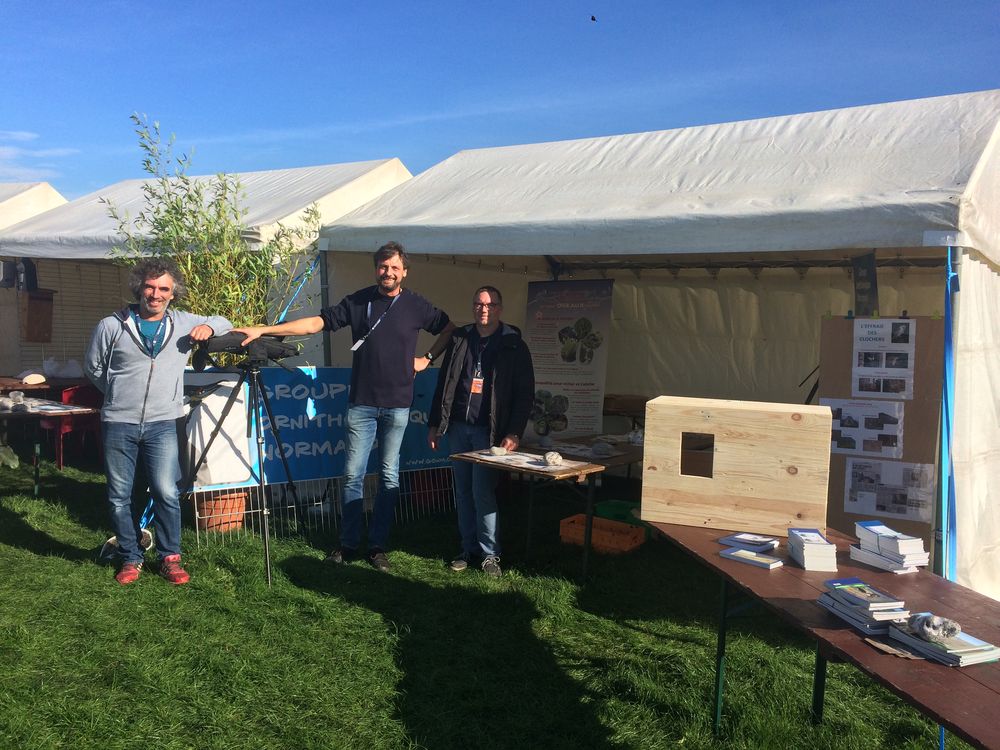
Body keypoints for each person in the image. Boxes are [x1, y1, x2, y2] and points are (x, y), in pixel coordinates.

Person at [233, 242, 453, 572]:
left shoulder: (416, 305)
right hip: (361, 405)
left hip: (398, 406)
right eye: (382, 266)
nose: (388, 272)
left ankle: (377, 546)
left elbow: (449, 328)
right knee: (352, 476)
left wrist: (428, 359)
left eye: (394, 267)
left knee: (390, 478)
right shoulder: (359, 301)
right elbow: (315, 324)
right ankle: (348, 544)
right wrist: (263, 329)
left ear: (404, 271)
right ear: (376, 268)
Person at [84, 258, 232, 585]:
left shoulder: (181, 322)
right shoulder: (112, 325)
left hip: (164, 422)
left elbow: (223, 321)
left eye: (163, 288)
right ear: (139, 287)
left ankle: (169, 557)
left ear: (172, 292)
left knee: (166, 490)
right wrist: (120, 393)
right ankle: (130, 557)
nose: (155, 294)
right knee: (119, 494)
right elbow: (93, 367)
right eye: (150, 287)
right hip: (118, 423)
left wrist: (208, 328)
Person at [427, 286, 534, 577]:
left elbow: (525, 394)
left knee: (482, 491)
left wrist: (514, 432)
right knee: (462, 492)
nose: (483, 309)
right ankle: (468, 548)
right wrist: (435, 423)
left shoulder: (514, 345)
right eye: (478, 304)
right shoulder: (461, 339)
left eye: (489, 304)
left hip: (489, 432)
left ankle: (490, 555)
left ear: (499, 308)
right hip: (459, 429)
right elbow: (445, 384)